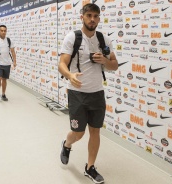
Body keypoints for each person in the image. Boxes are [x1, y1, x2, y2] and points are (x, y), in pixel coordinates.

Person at [58, 3, 118, 184]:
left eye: (95, 16)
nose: (92, 19)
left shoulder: (104, 40)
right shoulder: (72, 38)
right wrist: (69, 74)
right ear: (82, 17)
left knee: (95, 131)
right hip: (77, 93)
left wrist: (105, 61)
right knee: (78, 134)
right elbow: (61, 64)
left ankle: (90, 167)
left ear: (99, 18)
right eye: (89, 15)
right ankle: (67, 145)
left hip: (97, 93)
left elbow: (114, 65)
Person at [0, 25, 16, 103]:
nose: (3, 32)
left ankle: (3, 94)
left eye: (5, 31)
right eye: (2, 30)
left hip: (7, 63)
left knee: (4, 80)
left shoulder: (9, 40)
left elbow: (13, 51)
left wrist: (14, 61)